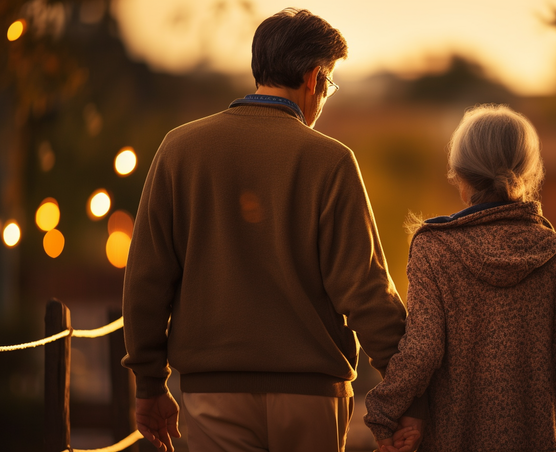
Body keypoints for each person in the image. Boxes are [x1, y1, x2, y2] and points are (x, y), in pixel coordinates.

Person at [122, 8, 425, 452]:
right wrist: (405, 390)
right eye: (330, 85)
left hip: (212, 393)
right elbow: (364, 290)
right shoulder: (331, 161)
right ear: (313, 76)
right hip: (312, 397)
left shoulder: (179, 149)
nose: (324, 99)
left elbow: (147, 277)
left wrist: (149, 384)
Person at [364, 104, 556, 452]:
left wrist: (384, 412)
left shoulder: (434, 249)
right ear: (530, 172)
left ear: (461, 174)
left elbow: (422, 349)